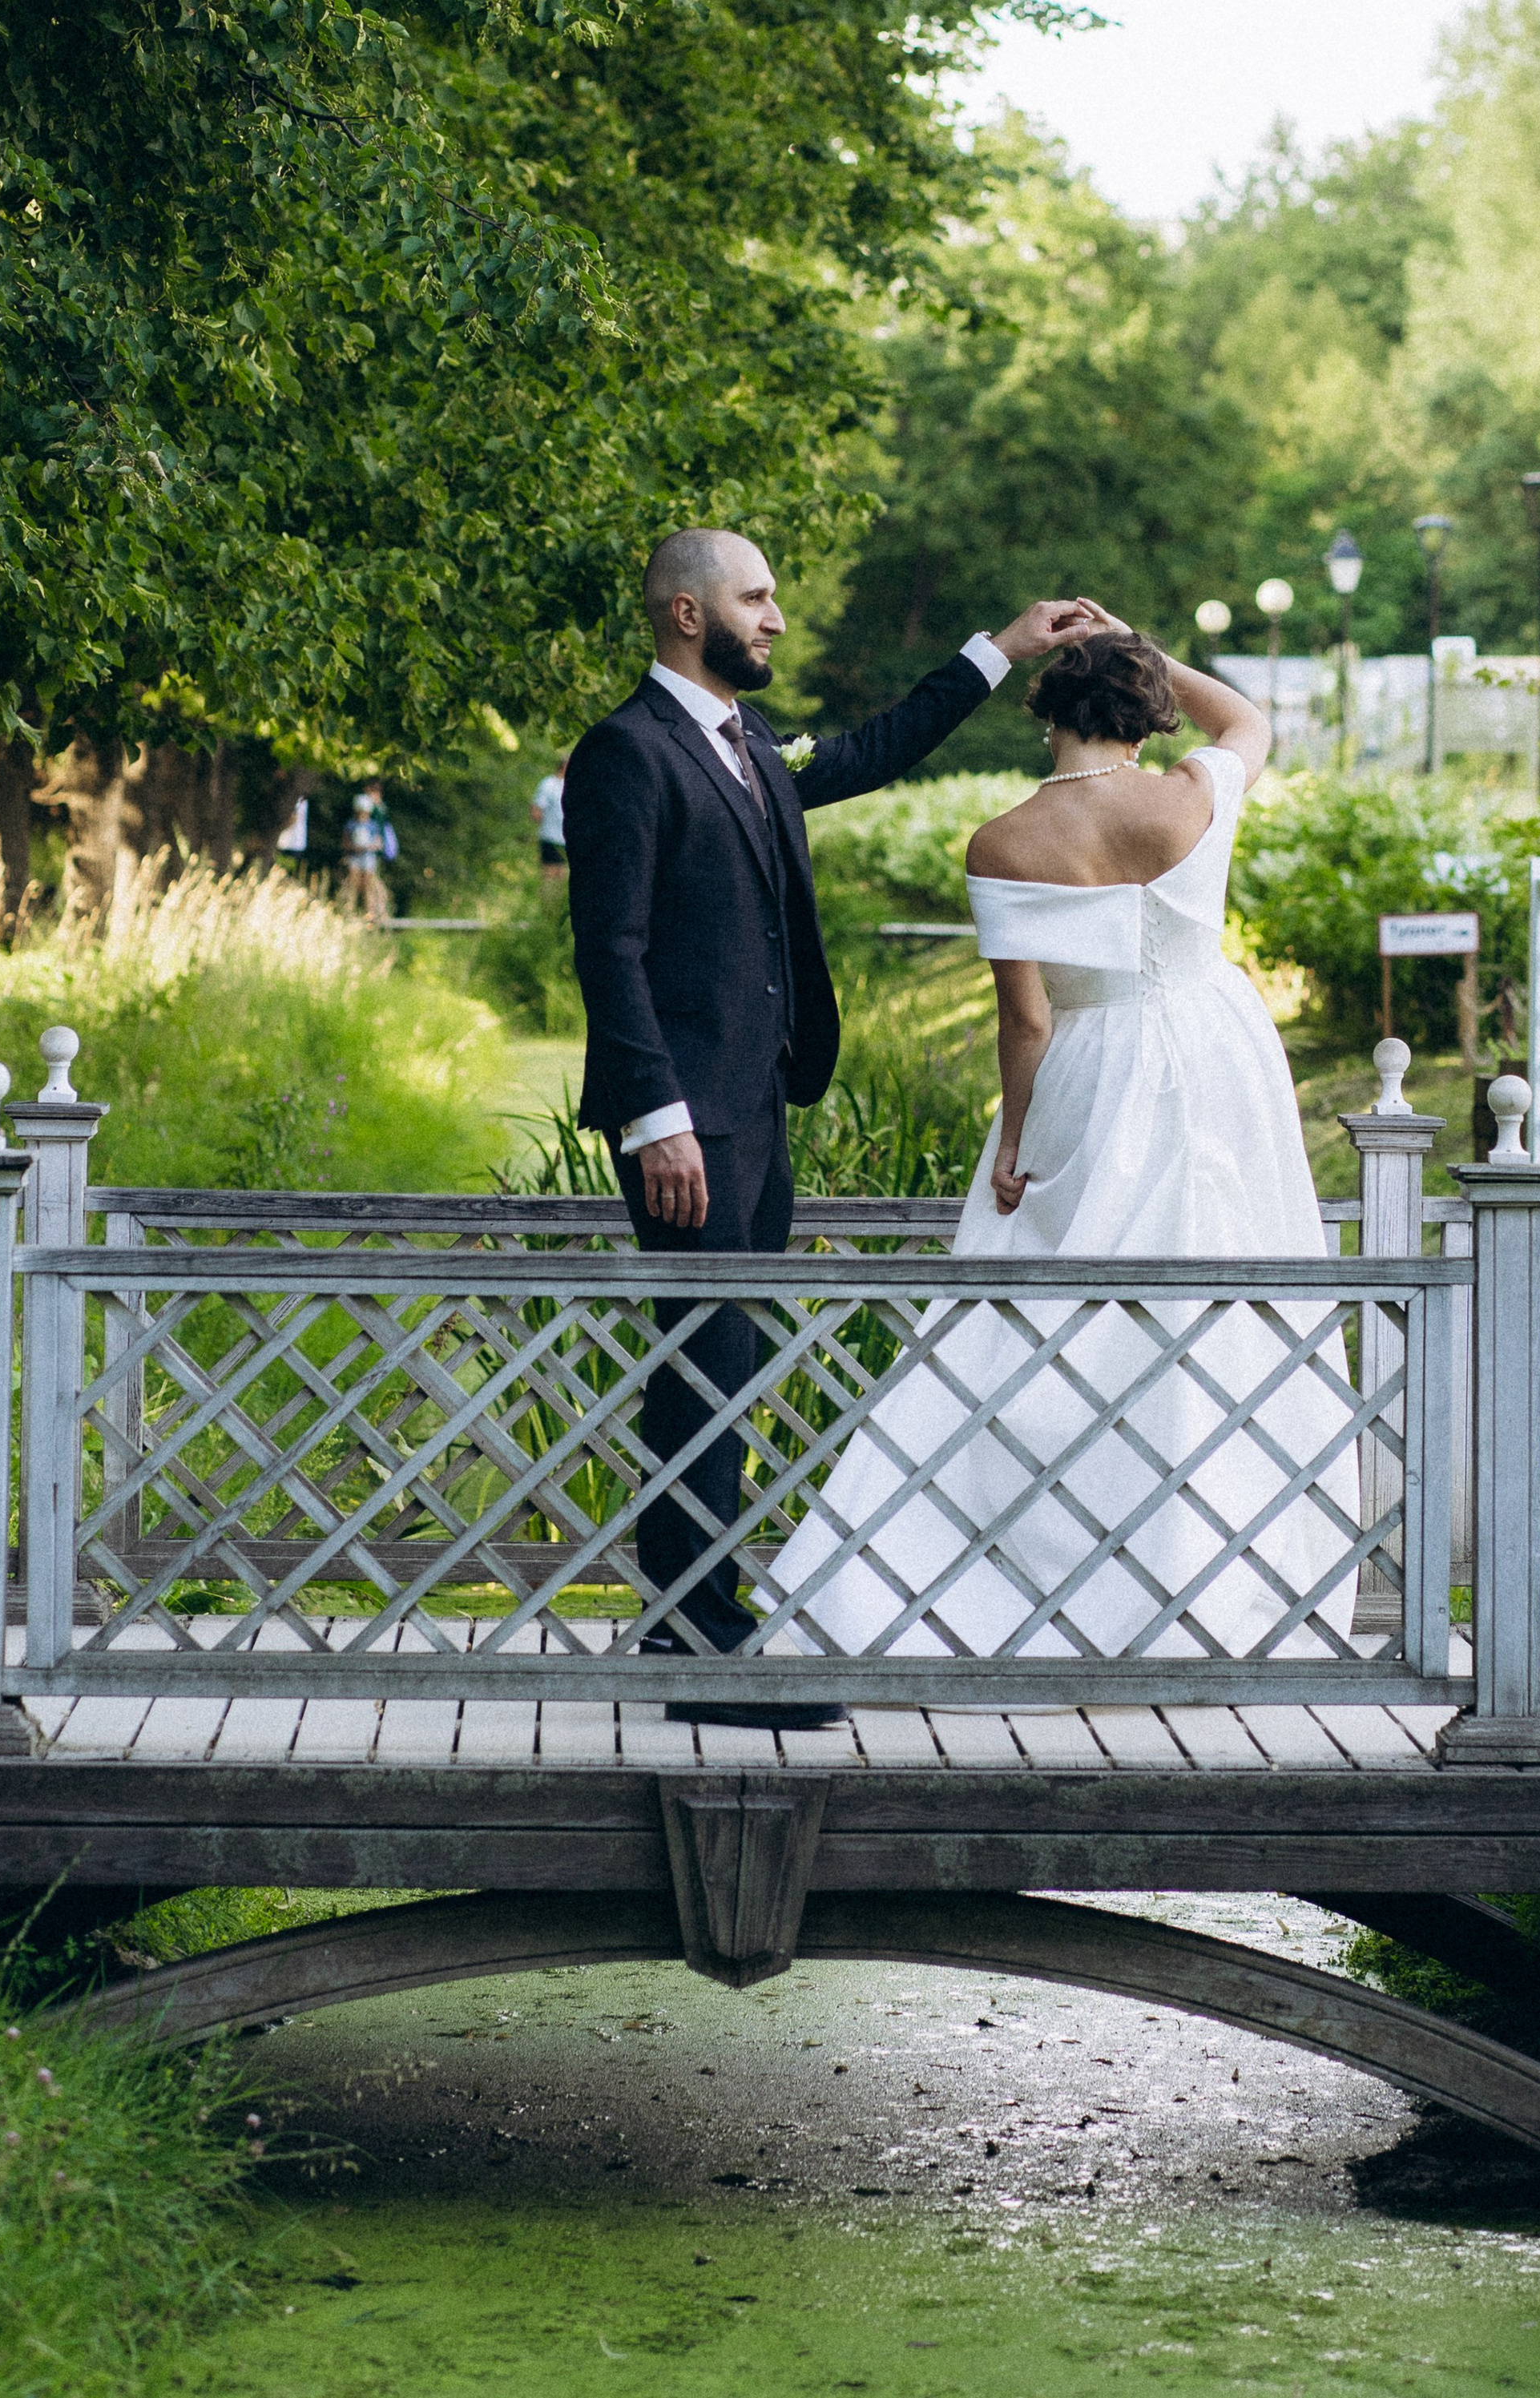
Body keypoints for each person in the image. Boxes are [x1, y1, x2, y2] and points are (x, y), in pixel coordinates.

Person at [562, 526, 1095, 1726]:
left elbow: (876, 746)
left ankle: (693, 1622)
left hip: (757, 1105)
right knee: (699, 1357)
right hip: (685, 1123)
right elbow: (613, 950)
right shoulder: (624, 754)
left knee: (725, 1358)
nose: (778, 618)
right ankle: (701, 1645)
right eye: (757, 599)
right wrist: (658, 1119)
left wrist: (1000, 652)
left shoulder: (748, 742)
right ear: (688, 613)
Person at [770, 607, 1361, 1665]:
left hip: (1091, 1066)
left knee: (1044, 1310)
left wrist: (1016, 1141)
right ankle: (1212, 1584)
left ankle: (1017, 1569)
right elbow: (1251, 719)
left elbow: (1027, 1018)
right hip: (1215, 1058)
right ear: (1148, 712)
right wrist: (1145, 644)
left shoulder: (1003, 840)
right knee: (1214, 1307)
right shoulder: (1192, 794)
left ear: (1045, 714)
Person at [341, 790, 392, 925]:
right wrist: (353, 847)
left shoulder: (372, 825)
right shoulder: (351, 824)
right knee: (353, 883)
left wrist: (369, 847)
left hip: (368, 858)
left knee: (368, 885)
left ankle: (370, 913)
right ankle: (349, 912)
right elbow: (345, 842)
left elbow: (379, 843)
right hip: (355, 857)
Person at [530, 756, 569, 881]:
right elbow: (536, 810)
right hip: (550, 837)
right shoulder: (548, 784)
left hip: (565, 839)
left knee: (562, 875)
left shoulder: (569, 785)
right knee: (550, 873)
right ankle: (547, 899)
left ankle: (556, 900)